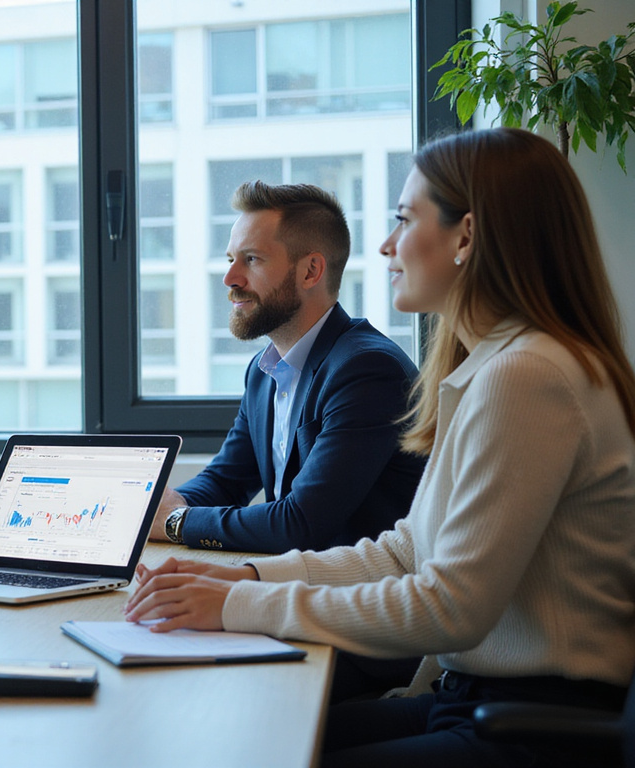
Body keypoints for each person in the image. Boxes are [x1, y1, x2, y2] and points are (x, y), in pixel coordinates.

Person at [126, 127, 635, 767]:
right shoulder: (495, 366)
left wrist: (238, 601)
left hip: (534, 723)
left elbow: (450, 606)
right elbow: (404, 552)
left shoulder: (528, 376)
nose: (387, 245)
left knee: (254, 749)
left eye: (403, 219)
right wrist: (245, 575)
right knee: (248, 740)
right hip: (471, 697)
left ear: (466, 237)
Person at [150, 180, 424, 554]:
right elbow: (225, 481)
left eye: (252, 259)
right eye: (231, 260)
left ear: (311, 271)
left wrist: (176, 522)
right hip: (300, 579)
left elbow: (300, 523)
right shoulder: (263, 371)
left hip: (361, 586)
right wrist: (151, 509)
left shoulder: (367, 371)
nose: (230, 279)